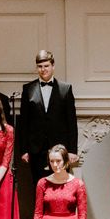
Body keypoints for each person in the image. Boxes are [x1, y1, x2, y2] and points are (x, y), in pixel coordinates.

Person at [18, 51, 78, 182]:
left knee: (61, 185)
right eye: (40, 66)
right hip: (36, 150)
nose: (43, 69)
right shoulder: (28, 89)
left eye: (46, 66)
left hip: (60, 149)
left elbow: (71, 122)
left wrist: (72, 150)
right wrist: (24, 150)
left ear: (53, 66)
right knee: (39, 185)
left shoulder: (65, 89)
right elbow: (24, 122)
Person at [33, 144, 87, 219]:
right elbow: (38, 214)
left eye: (58, 161)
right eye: (52, 161)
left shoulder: (78, 184)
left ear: (65, 161)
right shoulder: (42, 183)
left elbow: (82, 215)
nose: (55, 164)